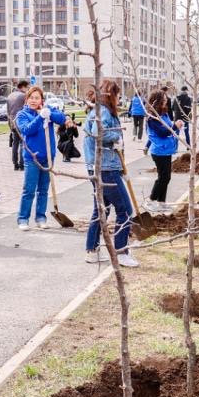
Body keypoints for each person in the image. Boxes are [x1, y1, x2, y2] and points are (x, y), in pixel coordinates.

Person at [84, 80, 138, 268]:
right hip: (105, 169)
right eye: (117, 94)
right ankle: (121, 252)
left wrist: (122, 169)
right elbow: (97, 133)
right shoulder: (103, 111)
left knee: (101, 210)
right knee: (125, 210)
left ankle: (92, 251)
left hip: (99, 166)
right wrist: (115, 137)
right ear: (111, 94)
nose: (119, 98)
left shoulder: (97, 110)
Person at [14, 86, 69, 230]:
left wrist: (49, 114)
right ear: (27, 99)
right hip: (32, 158)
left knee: (43, 190)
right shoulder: (22, 114)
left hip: (48, 157)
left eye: (37, 98)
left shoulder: (47, 108)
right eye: (31, 98)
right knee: (29, 190)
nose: (34, 100)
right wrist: (40, 117)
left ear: (41, 100)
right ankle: (23, 219)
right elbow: (26, 129)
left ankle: (40, 218)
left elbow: (62, 119)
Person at [146, 89, 183, 212]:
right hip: (159, 151)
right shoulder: (152, 118)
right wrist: (174, 126)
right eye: (164, 100)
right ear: (157, 102)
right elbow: (162, 132)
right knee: (163, 177)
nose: (166, 102)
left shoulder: (164, 114)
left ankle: (161, 202)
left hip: (166, 150)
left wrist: (176, 125)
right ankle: (151, 201)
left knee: (166, 177)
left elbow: (168, 127)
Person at [6, 79, 29, 171]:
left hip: (12, 122)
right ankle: (22, 164)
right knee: (22, 143)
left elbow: (8, 112)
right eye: (27, 87)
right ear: (23, 86)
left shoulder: (10, 96)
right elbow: (27, 109)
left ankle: (15, 164)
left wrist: (10, 124)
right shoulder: (24, 96)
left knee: (15, 143)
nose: (28, 89)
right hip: (21, 122)